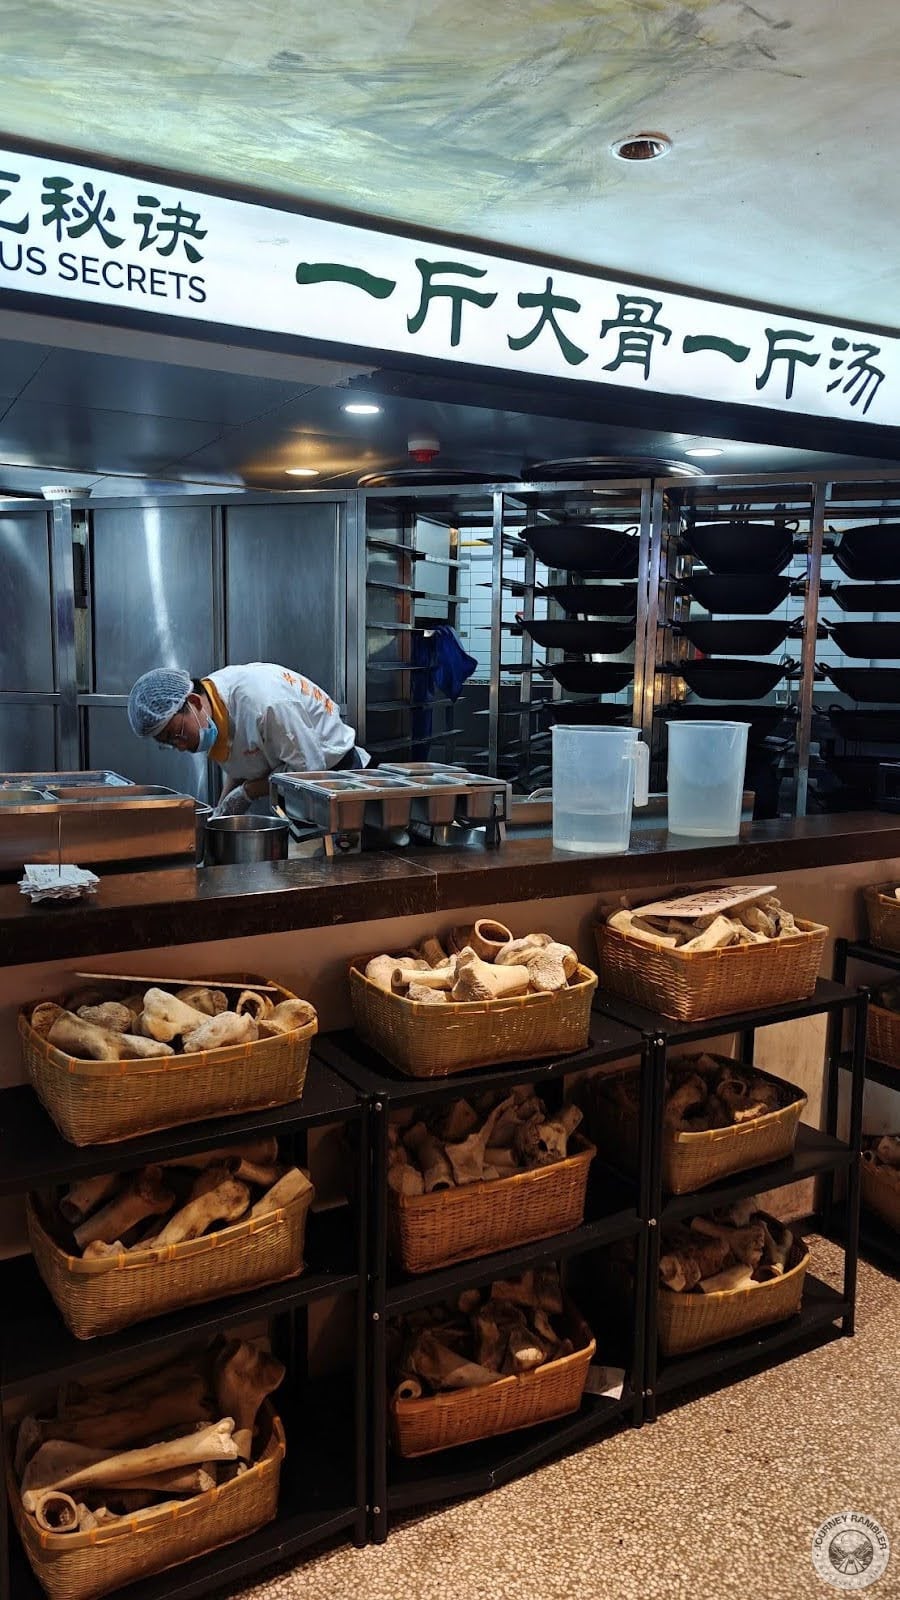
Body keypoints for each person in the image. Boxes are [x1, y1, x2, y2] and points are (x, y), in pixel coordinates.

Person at [127, 663, 369, 815]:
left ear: (193, 703)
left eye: (175, 734)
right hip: (298, 793)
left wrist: (247, 793)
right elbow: (243, 754)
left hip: (338, 781)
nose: (179, 746)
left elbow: (306, 773)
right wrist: (221, 811)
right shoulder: (213, 706)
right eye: (168, 744)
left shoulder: (264, 704)